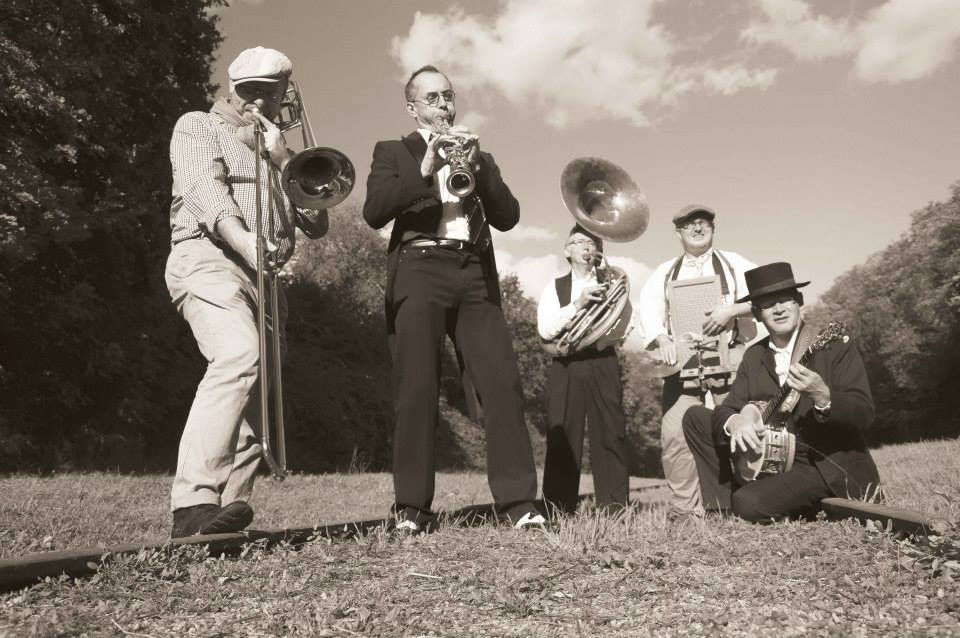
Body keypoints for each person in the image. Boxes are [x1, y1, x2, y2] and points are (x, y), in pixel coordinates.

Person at [361, 65, 543, 532]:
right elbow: (375, 210)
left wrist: (478, 168)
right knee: (417, 387)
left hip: (473, 270)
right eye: (433, 98)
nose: (444, 105)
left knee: (502, 384)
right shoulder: (392, 151)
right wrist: (426, 168)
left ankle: (521, 503)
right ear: (413, 107)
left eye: (448, 96)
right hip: (420, 268)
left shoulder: (480, 156)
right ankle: (412, 509)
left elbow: (508, 217)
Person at [165, 46, 328, 537]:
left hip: (266, 281)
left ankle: (226, 516)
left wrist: (283, 160)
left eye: (271, 92)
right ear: (232, 89)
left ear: (285, 95)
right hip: (209, 256)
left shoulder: (280, 149)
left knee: (257, 399)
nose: (260, 101)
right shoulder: (198, 124)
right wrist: (242, 239)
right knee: (238, 354)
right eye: (250, 91)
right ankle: (192, 502)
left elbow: (318, 221)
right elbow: (202, 188)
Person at [682, 262, 881, 521]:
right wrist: (737, 421)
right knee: (695, 417)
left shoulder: (833, 345)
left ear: (798, 301)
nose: (778, 310)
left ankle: (789, 503)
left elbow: (864, 413)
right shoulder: (755, 355)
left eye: (785, 300)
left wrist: (823, 396)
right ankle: (721, 509)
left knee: (749, 503)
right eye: (767, 304)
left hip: (820, 463)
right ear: (756, 313)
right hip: (771, 459)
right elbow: (726, 408)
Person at [638, 205, 757, 515]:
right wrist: (662, 338)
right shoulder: (665, 272)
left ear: (713, 228)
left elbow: (765, 296)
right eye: (690, 224)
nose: (697, 228)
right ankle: (685, 512)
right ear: (679, 232)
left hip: (730, 355)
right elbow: (648, 311)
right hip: (683, 362)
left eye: (703, 223)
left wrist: (730, 311)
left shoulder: (734, 263)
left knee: (739, 428)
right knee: (675, 433)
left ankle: (747, 501)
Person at [537, 225, 629, 516]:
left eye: (592, 243)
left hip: (603, 360)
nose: (587, 247)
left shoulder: (612, 283)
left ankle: (614, 507)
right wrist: (578, 305)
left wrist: (600, 332)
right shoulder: (554, 287)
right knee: (563, 431)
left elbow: (626, 324)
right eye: (579, 242)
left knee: (611, 433)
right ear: (567, 250)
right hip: (566, 363)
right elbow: (546, 329)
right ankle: (557, 509)